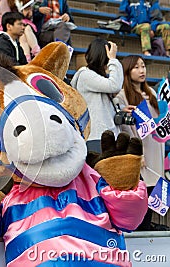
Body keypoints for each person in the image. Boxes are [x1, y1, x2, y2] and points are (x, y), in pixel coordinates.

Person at [115, 55, 164, 231]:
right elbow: (124, 129)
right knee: (140, 194)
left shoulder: (152, 93)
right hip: (139, 150)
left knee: (154, 192)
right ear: (128, 71)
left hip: (155, 146)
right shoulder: (121, 96)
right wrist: (136, 153)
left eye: (143, 66)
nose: (142, 70)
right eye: (136, 67)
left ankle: (148, 229)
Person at [70, 38, 123, 153]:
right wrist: (113, 60)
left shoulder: (97, 78)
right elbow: (115, 85)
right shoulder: (85, 75)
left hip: (107, 136)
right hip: (96, 137)